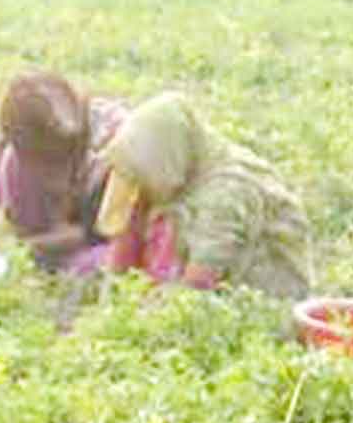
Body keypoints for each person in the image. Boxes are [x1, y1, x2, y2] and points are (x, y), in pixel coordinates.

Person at [89, 93, 313, 300]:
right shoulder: (176, 165)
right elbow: (123, 236)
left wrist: (148, 318)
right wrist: (113, 299)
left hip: (259, 292)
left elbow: (198, 285)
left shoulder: (225, 193)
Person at [0, 70, 125, 269]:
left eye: (56, 162)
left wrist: (24, 247)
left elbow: (99, 231)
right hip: (59, 223)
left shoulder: (112, 150)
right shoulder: (18, 154)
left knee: (99, 262)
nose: (53, 173)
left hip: (108, 229)